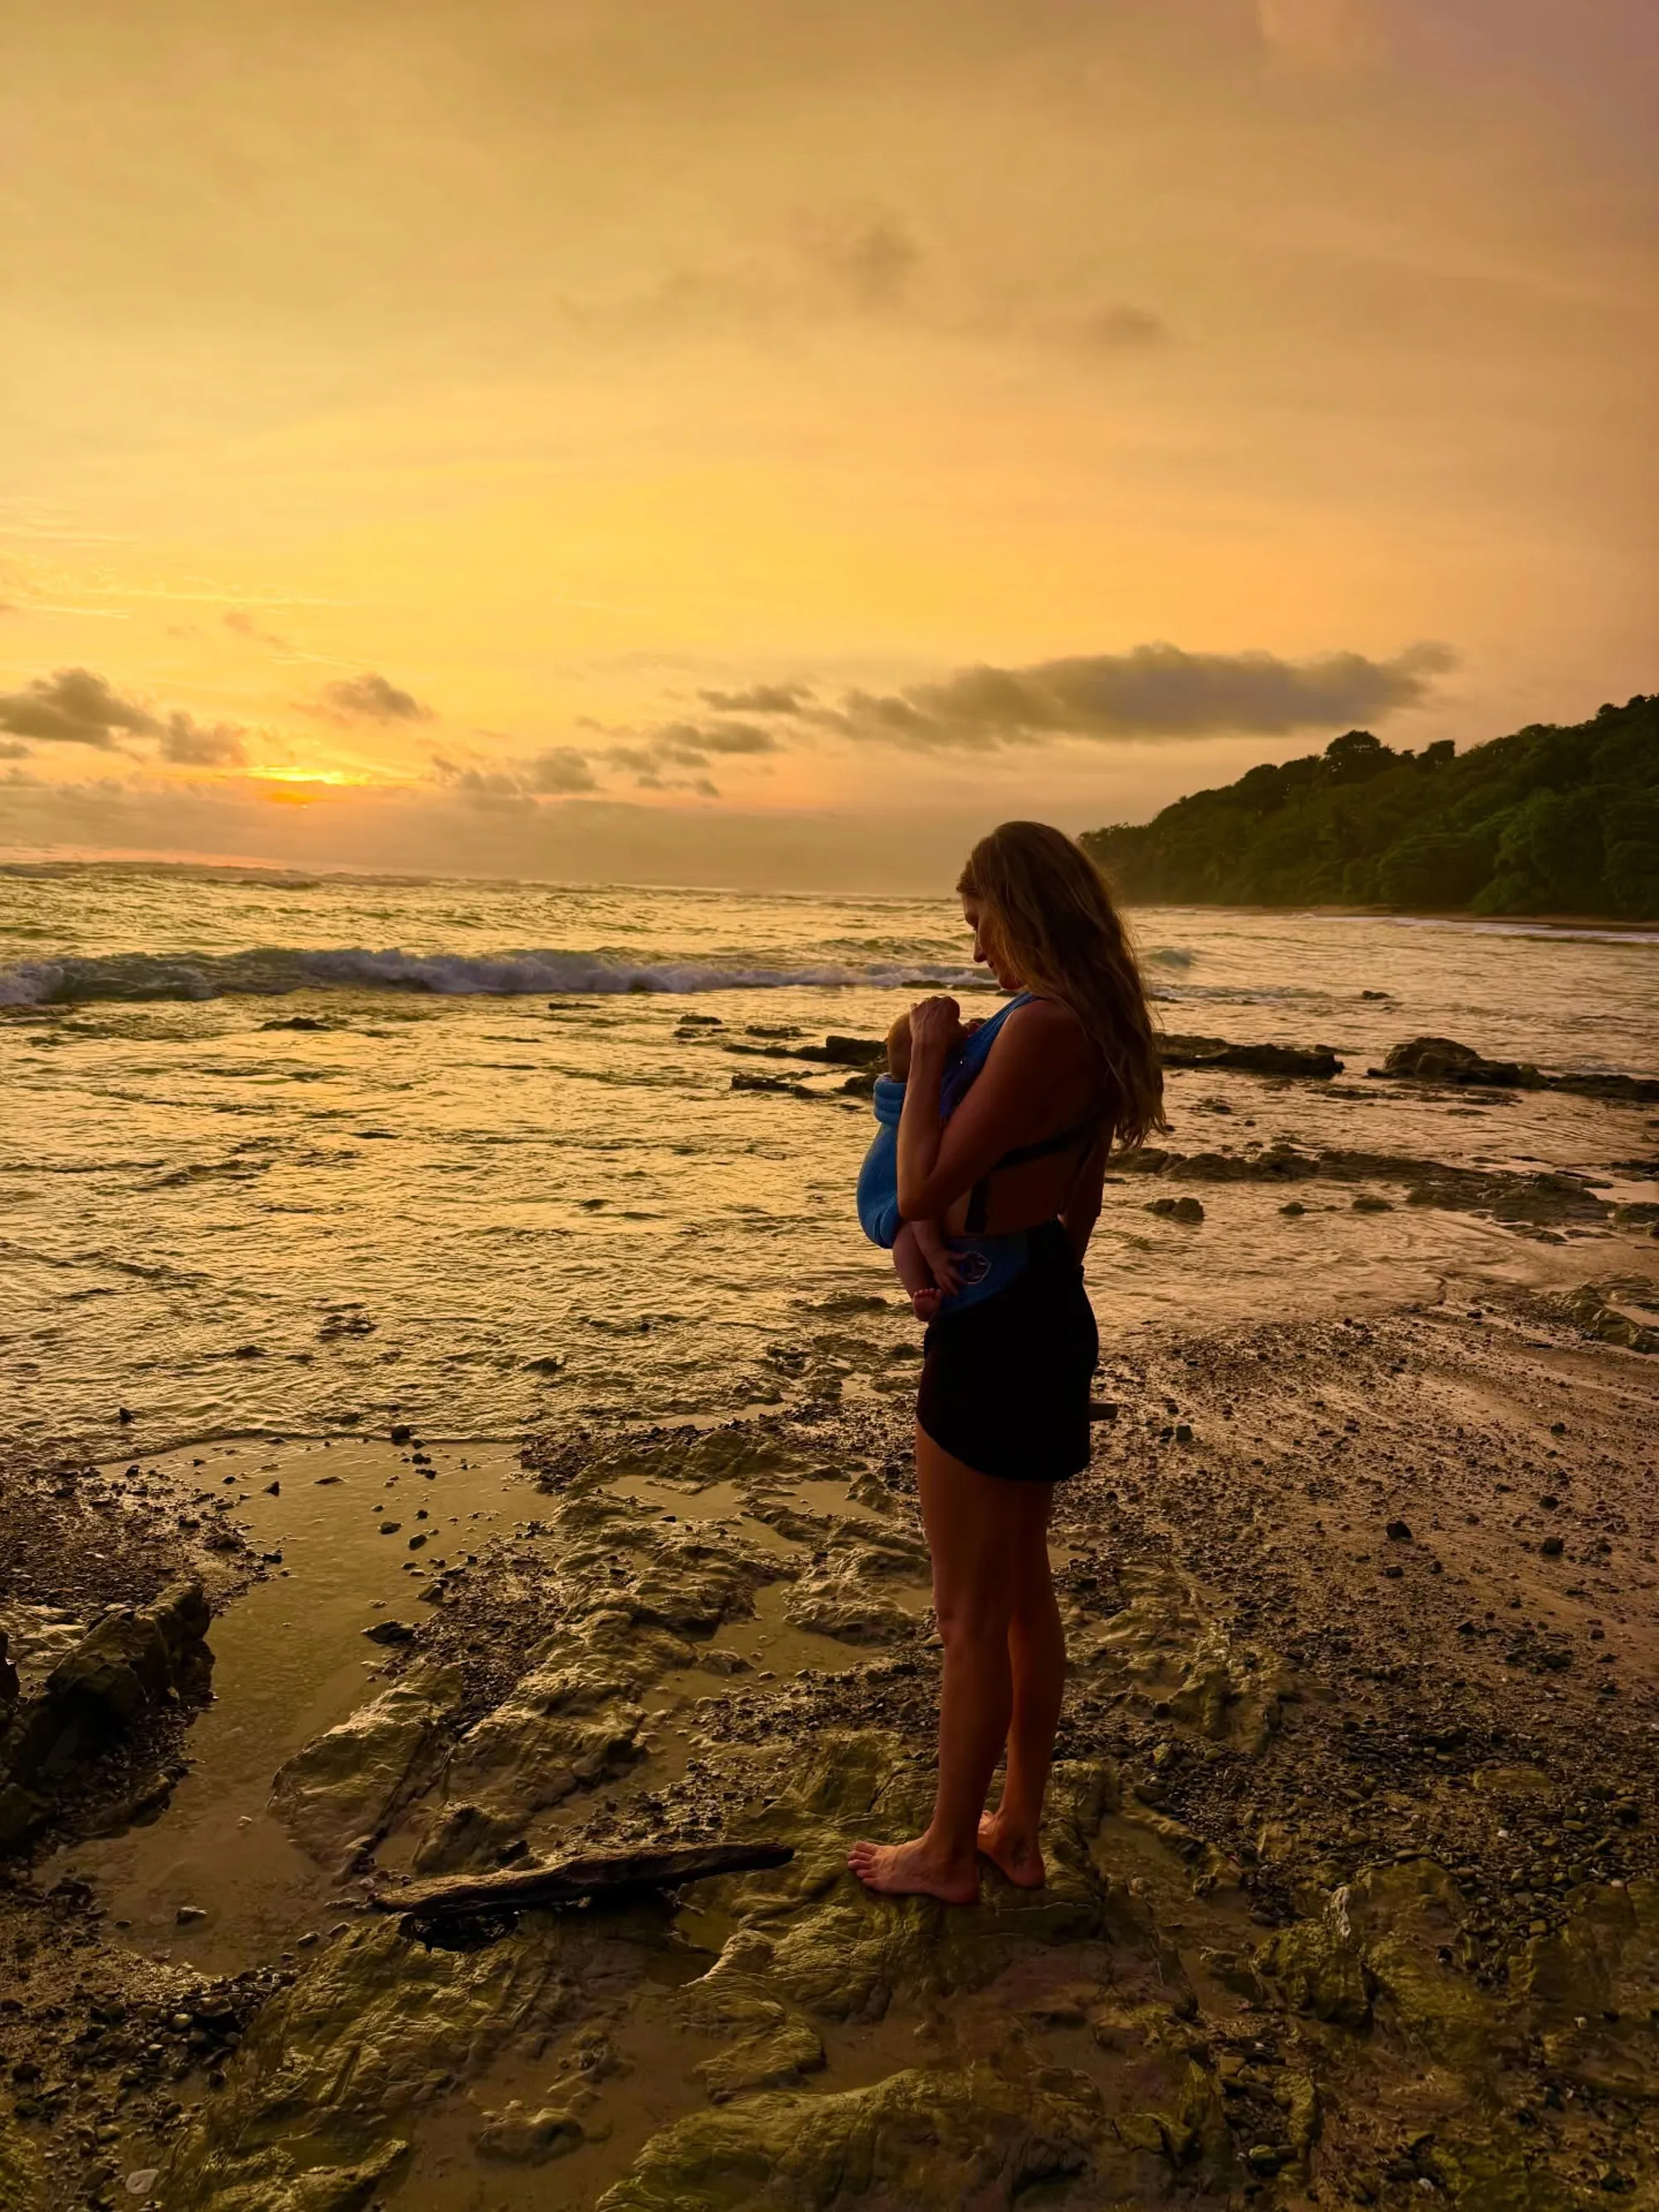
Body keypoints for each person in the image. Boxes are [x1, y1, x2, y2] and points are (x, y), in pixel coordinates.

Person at [847, 821, 1165, 1903]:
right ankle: (1015, 1828)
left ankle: (946, 1854)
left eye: (979, 920)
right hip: (1041, 1306)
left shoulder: (1034, 1027)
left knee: (966, 1613)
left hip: (1000, 1334)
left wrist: (929, 1059)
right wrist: (1032, 1277)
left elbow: (925, 1184)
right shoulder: (1091, 1026)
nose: (975, 948)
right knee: (1021, 1592)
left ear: (1020, 910)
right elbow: (1083, 1197)